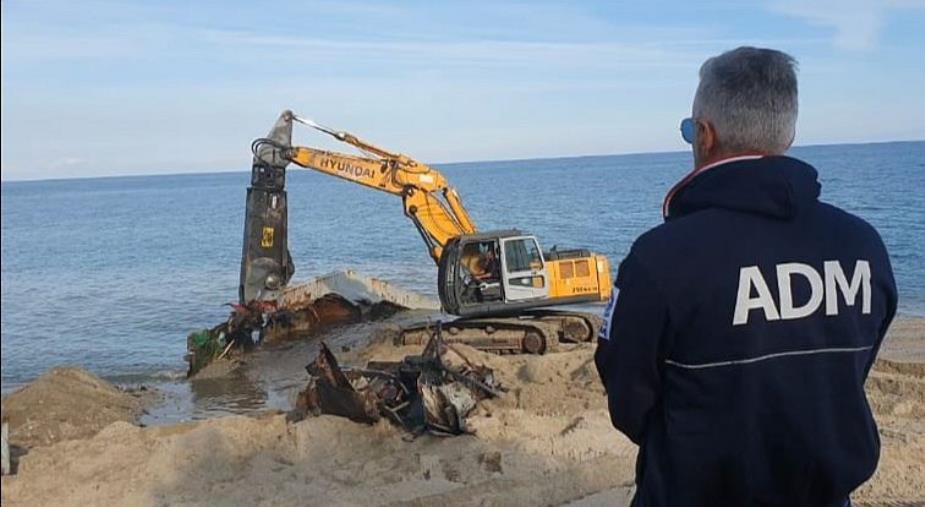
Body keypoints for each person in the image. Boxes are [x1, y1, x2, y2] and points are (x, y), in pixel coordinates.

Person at [595, 47, 897, 506]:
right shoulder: (862, 246)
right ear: (789, 133)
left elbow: (628, 400)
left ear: (704, 135)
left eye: (688, 130)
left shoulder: (660, 260)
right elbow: (852, 369)